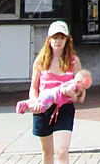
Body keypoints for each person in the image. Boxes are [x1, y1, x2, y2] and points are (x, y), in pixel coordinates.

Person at [27, 21, 85, 164]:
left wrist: (75, 92)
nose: (58, 41)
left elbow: (79, 89)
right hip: (43, 108)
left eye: (61, 38)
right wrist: (34, 102)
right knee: (47, 153)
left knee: (61, 152)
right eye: (55, 37)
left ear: (67, 40)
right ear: (49, 40)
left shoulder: (73, 61)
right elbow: (34, 87)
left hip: (64, 109)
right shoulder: (40, 61)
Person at [17, 69, 92, 115]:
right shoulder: (73, 85)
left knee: (38, 102)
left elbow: (83, 91)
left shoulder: (78, 85)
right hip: (51, 97)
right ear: (78, 82)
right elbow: (68, 90)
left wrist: (82, 96)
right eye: (83, 87)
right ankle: (25, 106)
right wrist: (74, 97)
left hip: (49, 93)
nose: (83, 89)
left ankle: (26, 104)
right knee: (42, 107)